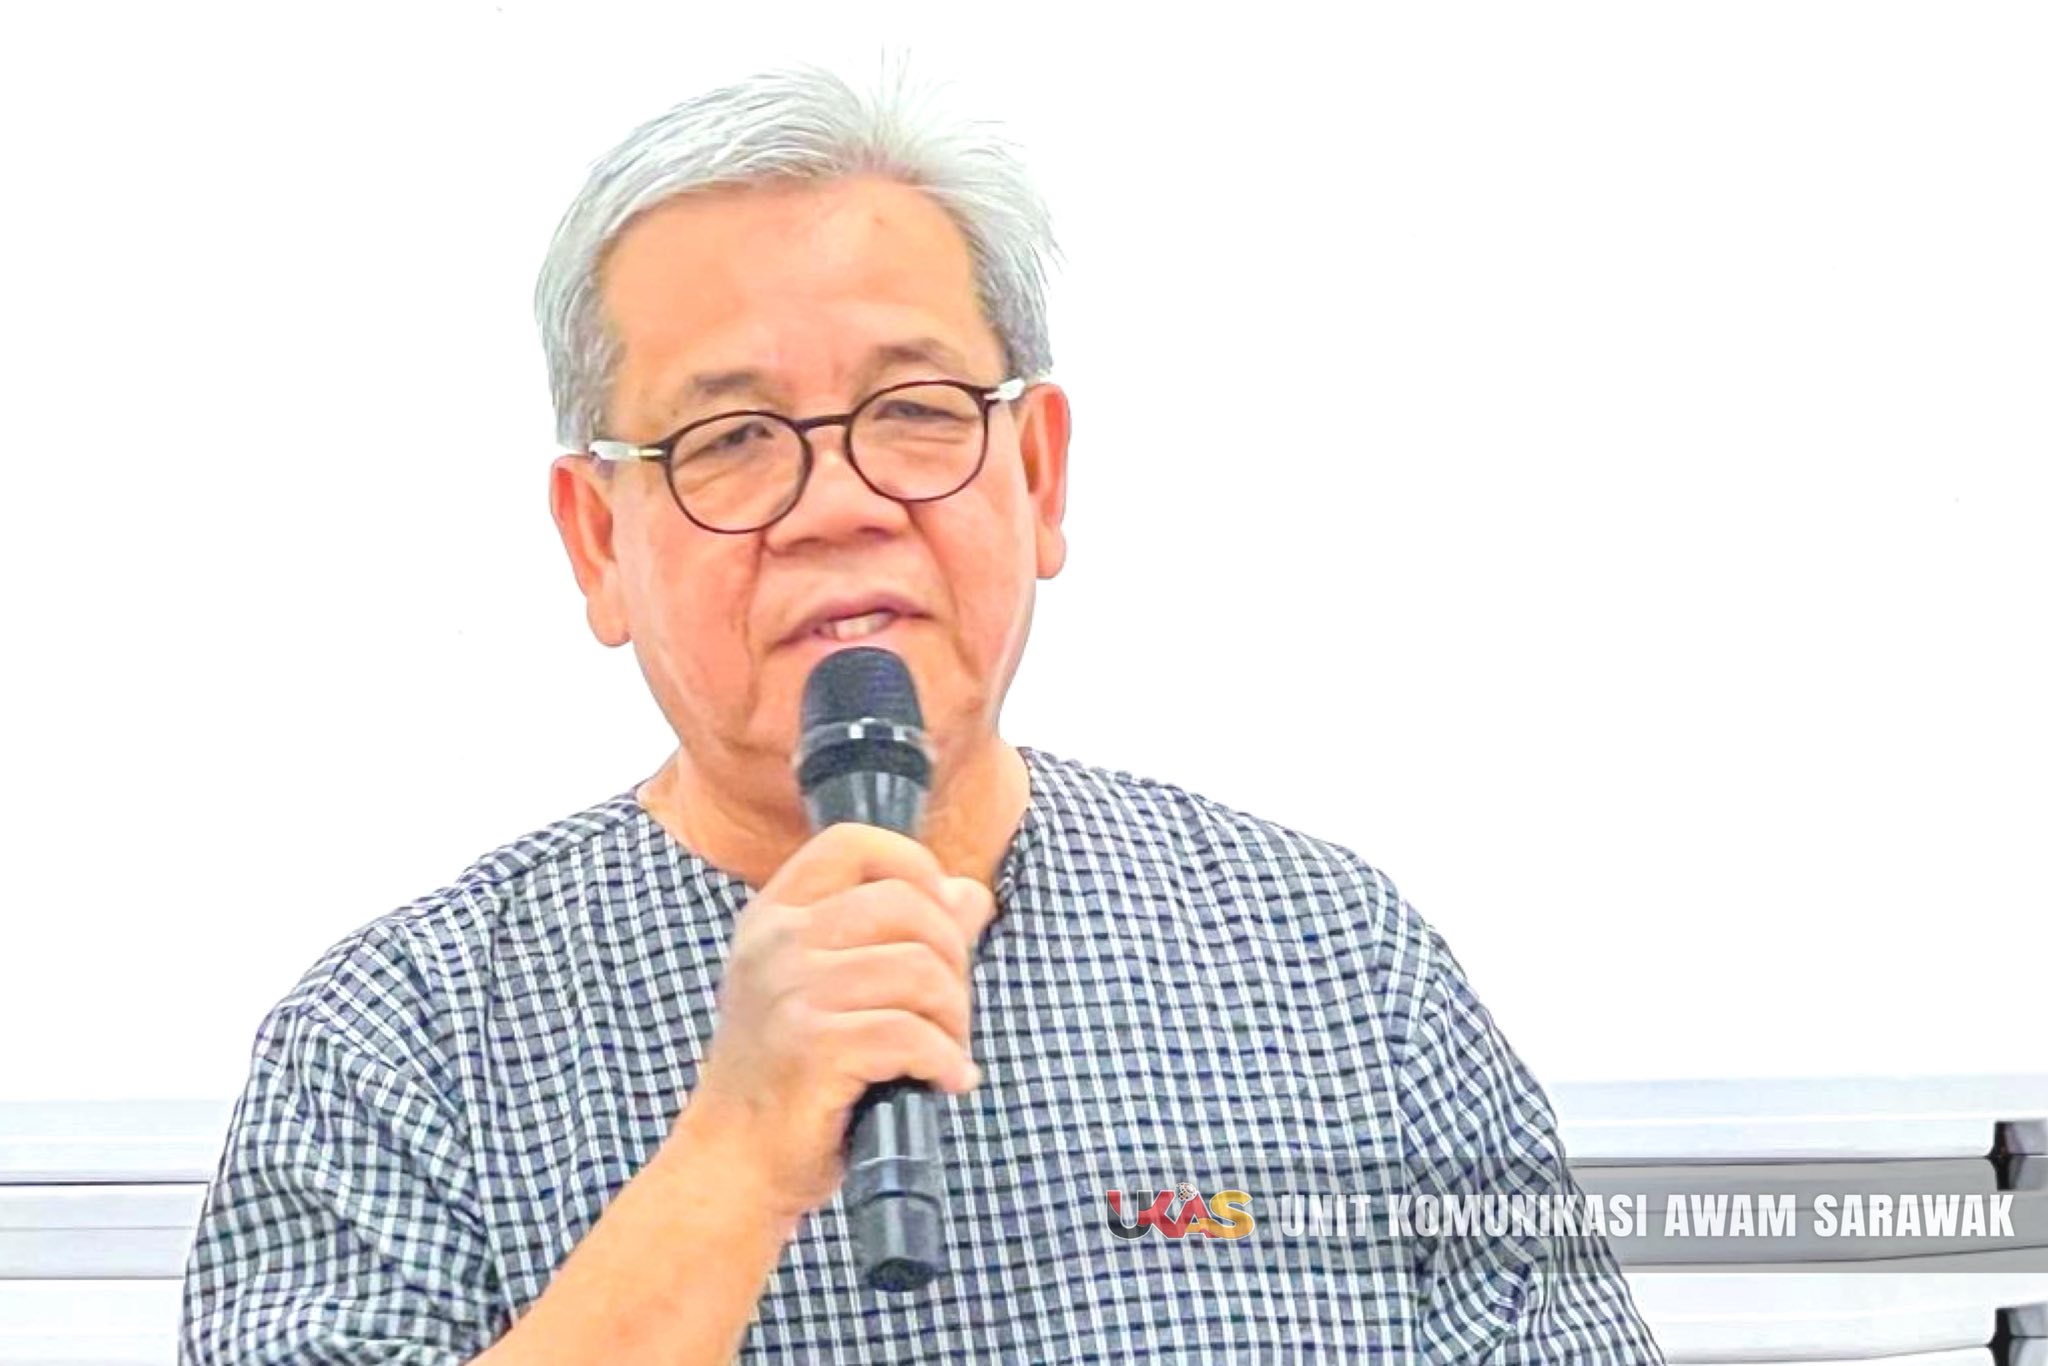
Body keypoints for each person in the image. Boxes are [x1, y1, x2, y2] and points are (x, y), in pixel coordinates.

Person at [179, 61, 1664, 1364]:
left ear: (1040, 476)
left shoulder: (1338, 967)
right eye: (731, 437)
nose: (839, 503)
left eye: (914, 412)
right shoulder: (398, 1046)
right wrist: (730, 1162)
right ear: (595, 541)